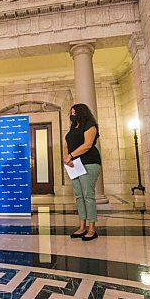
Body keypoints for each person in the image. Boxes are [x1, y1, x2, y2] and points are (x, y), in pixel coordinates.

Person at [64, 103, 101, 241]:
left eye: (74, 112)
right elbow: (66, 145)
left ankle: (92, 228)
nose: (72, 114)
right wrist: (66, 158)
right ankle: (82, 226)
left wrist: (70, 156)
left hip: (89, 162)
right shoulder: (73, 128)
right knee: (79, 196)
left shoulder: (90, 125)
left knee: (87, 195)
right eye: (71, 112)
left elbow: (87, 145)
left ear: (81, 112)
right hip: (74, 165)